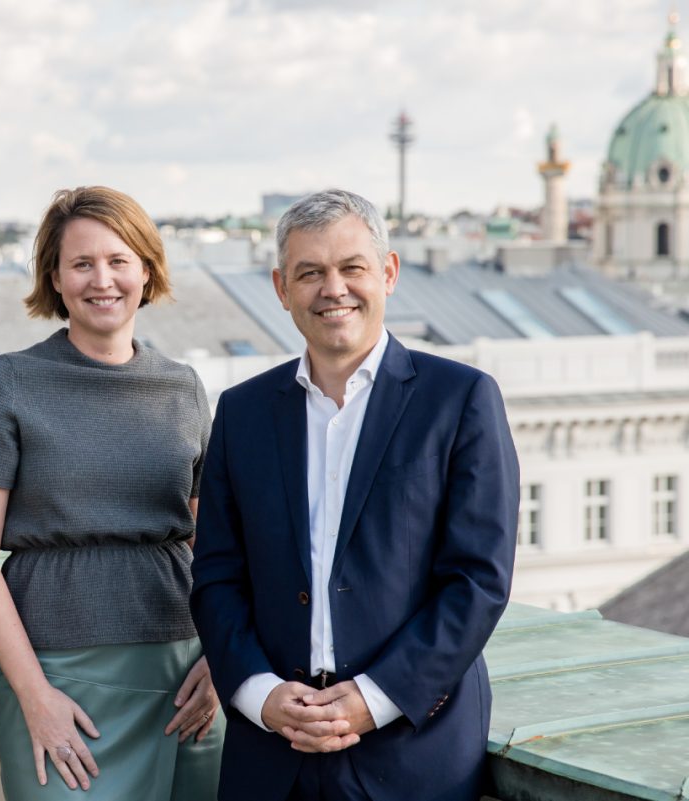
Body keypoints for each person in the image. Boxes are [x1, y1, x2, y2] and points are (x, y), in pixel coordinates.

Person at [190, 189, 518, 801]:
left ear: (388, 273)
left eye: (352, 268)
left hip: (415, 752)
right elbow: (216, 576)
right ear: (281, 288)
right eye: (309, 273)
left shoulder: (461, 399)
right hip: (271, 753)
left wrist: (374, 700)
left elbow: (478, 579)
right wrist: (260, 695)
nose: (332, 288)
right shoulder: (241, 412)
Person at [0, 186, 223, 800]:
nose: (103, 280)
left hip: (184, 675)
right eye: (82, 263)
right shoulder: (11, 385)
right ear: (56, 276)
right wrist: (34, 695)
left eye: (119, 260)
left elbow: (217, 549)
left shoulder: (182, 387)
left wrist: (222, 660)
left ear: (147, 270)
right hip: (56, 676)